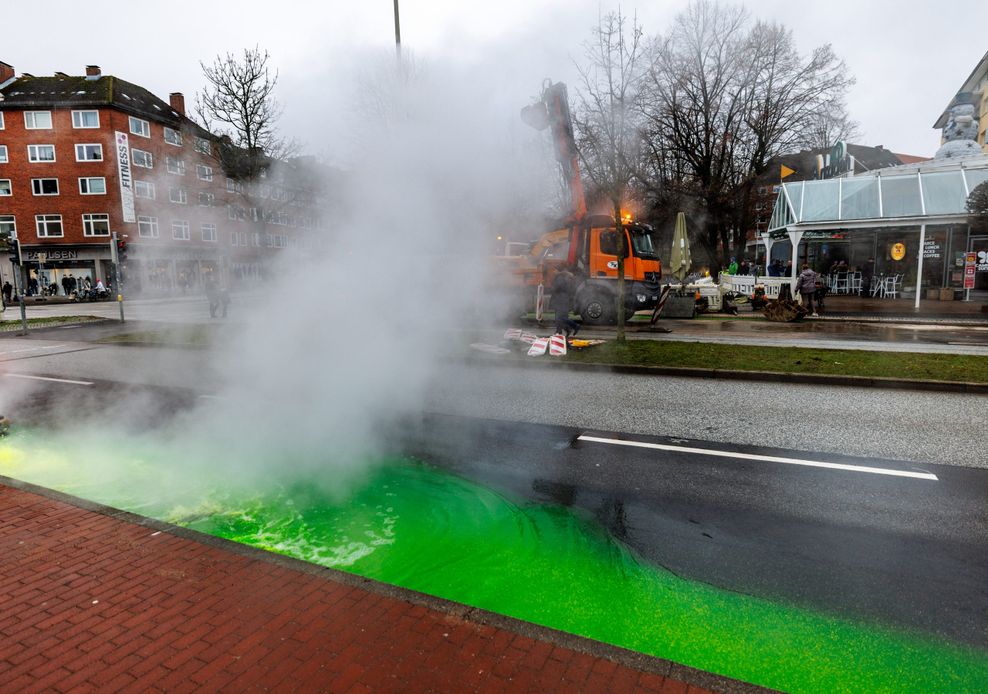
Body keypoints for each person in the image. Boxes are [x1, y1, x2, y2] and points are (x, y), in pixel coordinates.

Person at [549, 269, 580, 337]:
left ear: (557, 270)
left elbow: (556, 288)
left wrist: (552, 287)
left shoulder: (560, 277)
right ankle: (561, 331)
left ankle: (574, 326)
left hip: (560, 300)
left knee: (560, 317)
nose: (553, 271)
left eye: (554, 270)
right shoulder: (567, 278)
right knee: (560, 317)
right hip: (564, 299)